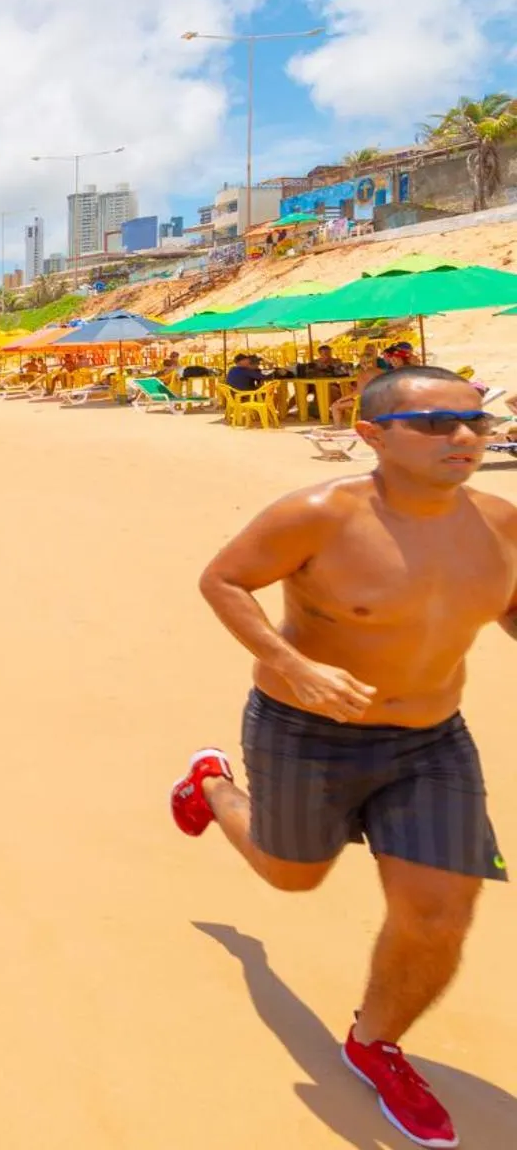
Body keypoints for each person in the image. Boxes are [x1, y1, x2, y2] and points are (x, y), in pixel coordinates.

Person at [171, 366, 510, 1148]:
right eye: (435, 423)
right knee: (293, 875)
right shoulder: (317, 515)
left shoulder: (502, 524)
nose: (463, 437)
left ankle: (376, 1042)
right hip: (306, 733)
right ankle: (212, 784)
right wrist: (290, 664)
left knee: (440, 914)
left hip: (433, 740)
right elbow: (223, 580)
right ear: (372, 436)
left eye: (475, 421)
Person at [331, 354, 384, 427]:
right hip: (382, 399)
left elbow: (358, 392)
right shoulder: (381, 371)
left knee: (335, 406)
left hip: (367, 401)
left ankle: (337, 427)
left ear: (362, 363)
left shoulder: (363, 373)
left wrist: (341, 399)